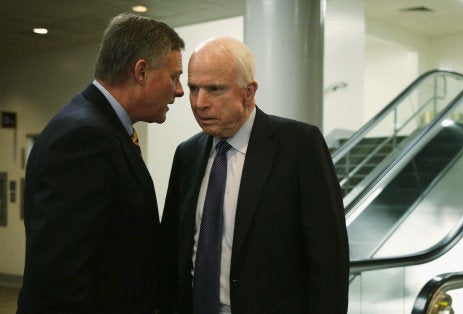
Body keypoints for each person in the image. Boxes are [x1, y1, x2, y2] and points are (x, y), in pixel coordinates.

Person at [159, 37, 349, 314]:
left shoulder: (299, 145)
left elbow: (328, 257)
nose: (200, 103)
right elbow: (172, 249)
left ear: (248, 91)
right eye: (193, 88)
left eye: (215, 89)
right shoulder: (187, 154)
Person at [18, 13, 184, 313]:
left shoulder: (100, 128)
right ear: (141, 71)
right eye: (174, 77)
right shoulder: (86, 139)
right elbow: (60, 279)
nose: (180, 90)